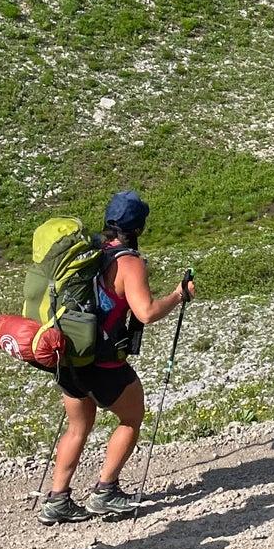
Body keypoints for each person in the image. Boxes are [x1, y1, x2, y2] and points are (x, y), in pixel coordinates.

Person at [37, 190, 193, 523]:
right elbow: (147, 312)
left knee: (77, 428)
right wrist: (179, 295)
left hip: (71, 355)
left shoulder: (89, 251)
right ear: (138, 227)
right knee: (132, 418)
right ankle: (105, 491)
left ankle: (57, 500)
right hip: (105, 361)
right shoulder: (129, 262)